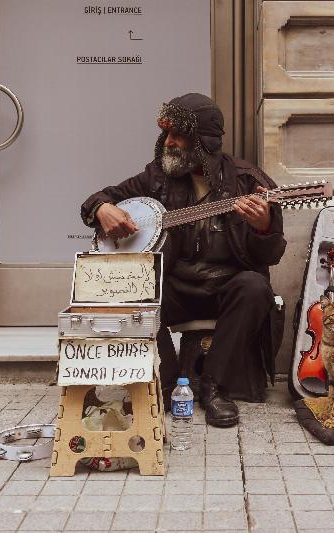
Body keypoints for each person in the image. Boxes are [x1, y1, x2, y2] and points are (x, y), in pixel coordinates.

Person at [80, 93, 286, 427]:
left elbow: (271, 255)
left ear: (203, 142)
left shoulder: (248, 182)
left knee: (254, 286)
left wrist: (263, 228)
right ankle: (166, 379)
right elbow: (99, 200)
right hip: (176, 289)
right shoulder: (157, 177)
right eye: (167, 134)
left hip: (225, 292)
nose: (169, 142)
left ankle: (215, 387)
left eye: (179, 136)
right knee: (136, 289)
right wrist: (102, 208)